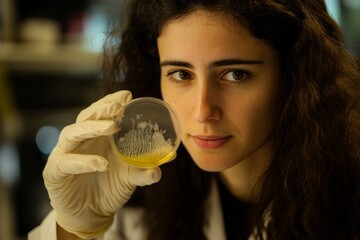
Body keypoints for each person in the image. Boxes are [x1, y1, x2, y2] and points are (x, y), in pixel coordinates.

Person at [29, 0, 360, 239]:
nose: (202, 111)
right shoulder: (133, 199)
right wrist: (75, 229)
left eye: (235, 74)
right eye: (180, 74)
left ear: (294, 74)